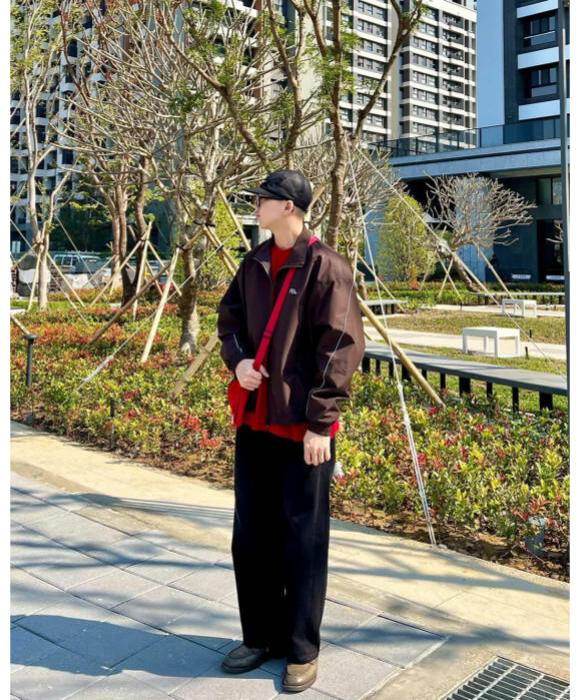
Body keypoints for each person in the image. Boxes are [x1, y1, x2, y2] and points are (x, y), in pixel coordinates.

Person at [216, 170, 365, 693]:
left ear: (288, 207)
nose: (255, 205)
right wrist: (238, 362)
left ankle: (302, 649)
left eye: (263, 199)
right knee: (251, 534)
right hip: (255, 420)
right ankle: (259, 637)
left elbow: (341, 347)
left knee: (303, 538)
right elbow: (229, 320)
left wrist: (321, 423)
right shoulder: (254, 262)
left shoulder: (327, 266)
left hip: (303, 429)